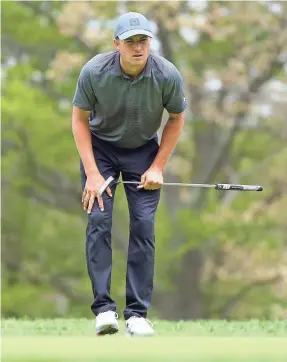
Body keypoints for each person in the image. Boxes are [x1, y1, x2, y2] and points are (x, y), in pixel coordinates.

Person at [72, 11, 187, 336]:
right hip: (101, 150)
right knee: (98, 222)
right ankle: (104, 311)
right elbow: (79, 121)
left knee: (143, 226)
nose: (138, 47)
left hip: (143, 152)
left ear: (150, 42)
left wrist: (158, 167)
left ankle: (137, 314)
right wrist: (93, 174)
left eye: (143, 40)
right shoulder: (94, 71)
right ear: (117, 44)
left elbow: (176, 119)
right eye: (131, 41)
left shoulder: (166, 74)